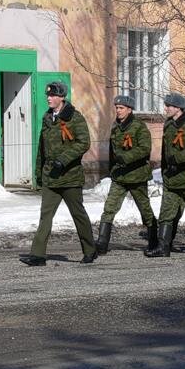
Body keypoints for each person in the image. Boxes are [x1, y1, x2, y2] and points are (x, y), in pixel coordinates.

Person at [20, 81, 97, 266]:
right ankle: (38, 255)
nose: (49, 98)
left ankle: (90, 250)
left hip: (70, 177)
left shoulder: (75, 118)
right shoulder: (47, 118)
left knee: (78, 214)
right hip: (51, 177)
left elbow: (83, 142)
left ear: (62, 97)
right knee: (45, 216)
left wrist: (63, 158)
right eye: (48, 95)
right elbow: (42, 148)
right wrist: (39, 174)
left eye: (53, 95)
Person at [145, 93, 185, 258]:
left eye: (169, 106)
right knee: (166, 213)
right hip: (172, 179)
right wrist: (166, 168)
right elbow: (165, 150)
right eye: (166, 105)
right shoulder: (169, 125)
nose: (166, 108)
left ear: (178, 108)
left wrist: (179, 159)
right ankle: (163, 247)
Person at [96, 95, 157, 254]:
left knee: (145, 210)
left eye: (121, 108)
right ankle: (102, 243)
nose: (118, 111)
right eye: (116, 108)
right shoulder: (116, 127)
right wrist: (112, 169)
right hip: (119, 176)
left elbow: (145, 149)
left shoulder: (139, 126)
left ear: (129, 110)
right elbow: (112, 151)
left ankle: (154, 241)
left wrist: (127, 158)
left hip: (137, 176)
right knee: (109, 208)